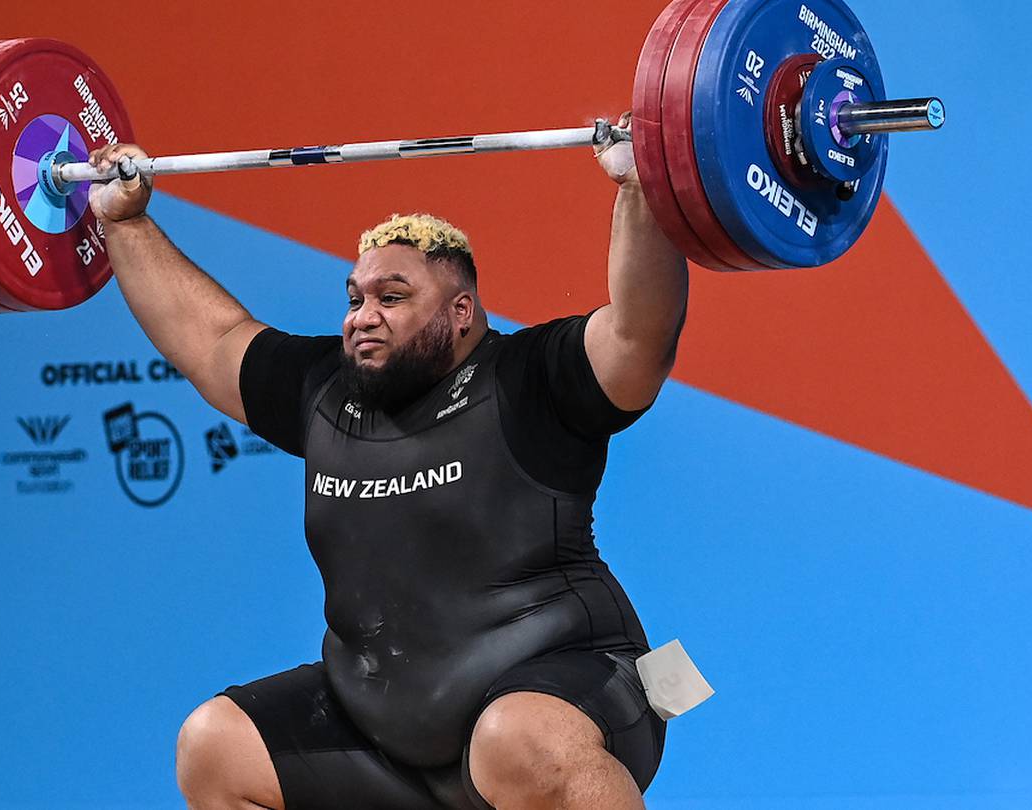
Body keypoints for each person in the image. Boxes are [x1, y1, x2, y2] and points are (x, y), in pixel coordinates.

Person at [87, 112, 688, 810]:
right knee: (215, 746)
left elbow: (640, 335)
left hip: (577, 688)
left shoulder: (530, 378)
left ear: (461, 312)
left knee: (518, 739)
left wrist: (643, 186)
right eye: (355, 297)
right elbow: (213, 342)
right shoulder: (325, 392)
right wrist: (123, 225)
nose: (362, 315)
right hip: (389, 732)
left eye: (392, 298)